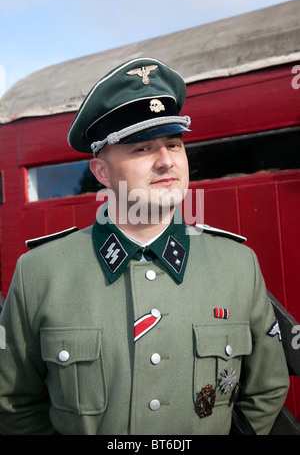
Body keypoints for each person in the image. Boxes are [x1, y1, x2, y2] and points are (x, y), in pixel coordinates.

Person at [0, 57, 289, 435]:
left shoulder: (237, 264)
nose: (167, 161)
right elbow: (14, 404)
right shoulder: (41, 273)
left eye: (174, 143)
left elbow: (266, 388)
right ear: (102, 172)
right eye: (142, 148)